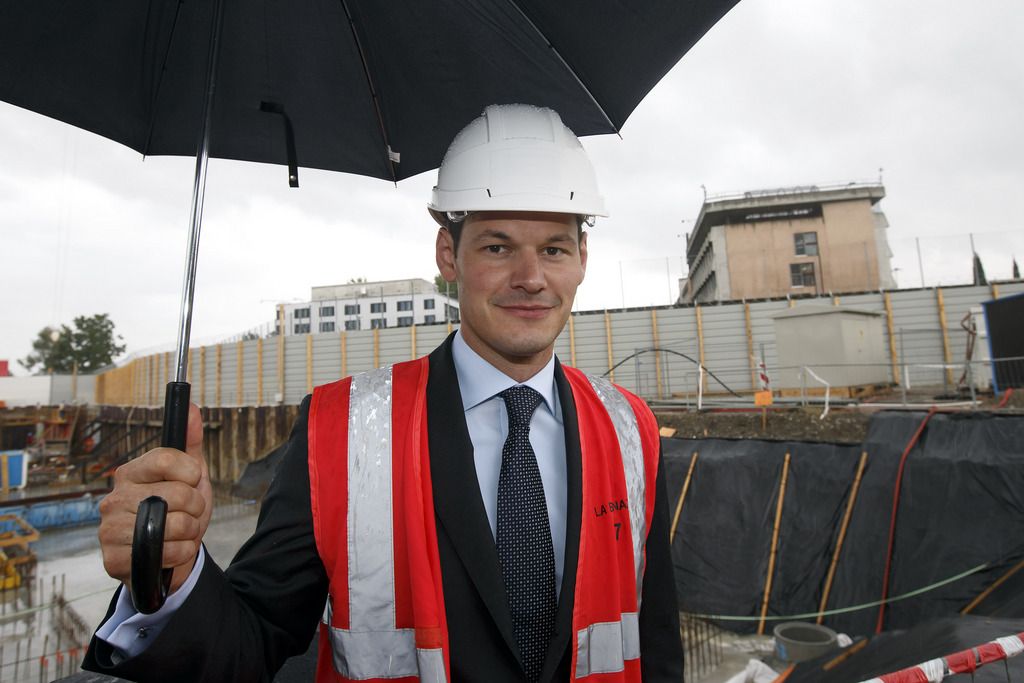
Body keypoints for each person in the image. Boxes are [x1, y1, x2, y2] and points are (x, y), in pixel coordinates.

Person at [84, 104, 683, 682]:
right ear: (449, 255)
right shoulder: (336, 431)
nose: (530, 277)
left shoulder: (629, 428)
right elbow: (249, 645)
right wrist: (172, 576)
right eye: (497, 247)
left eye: (553, 248)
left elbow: (655, 646)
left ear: (582, 258)